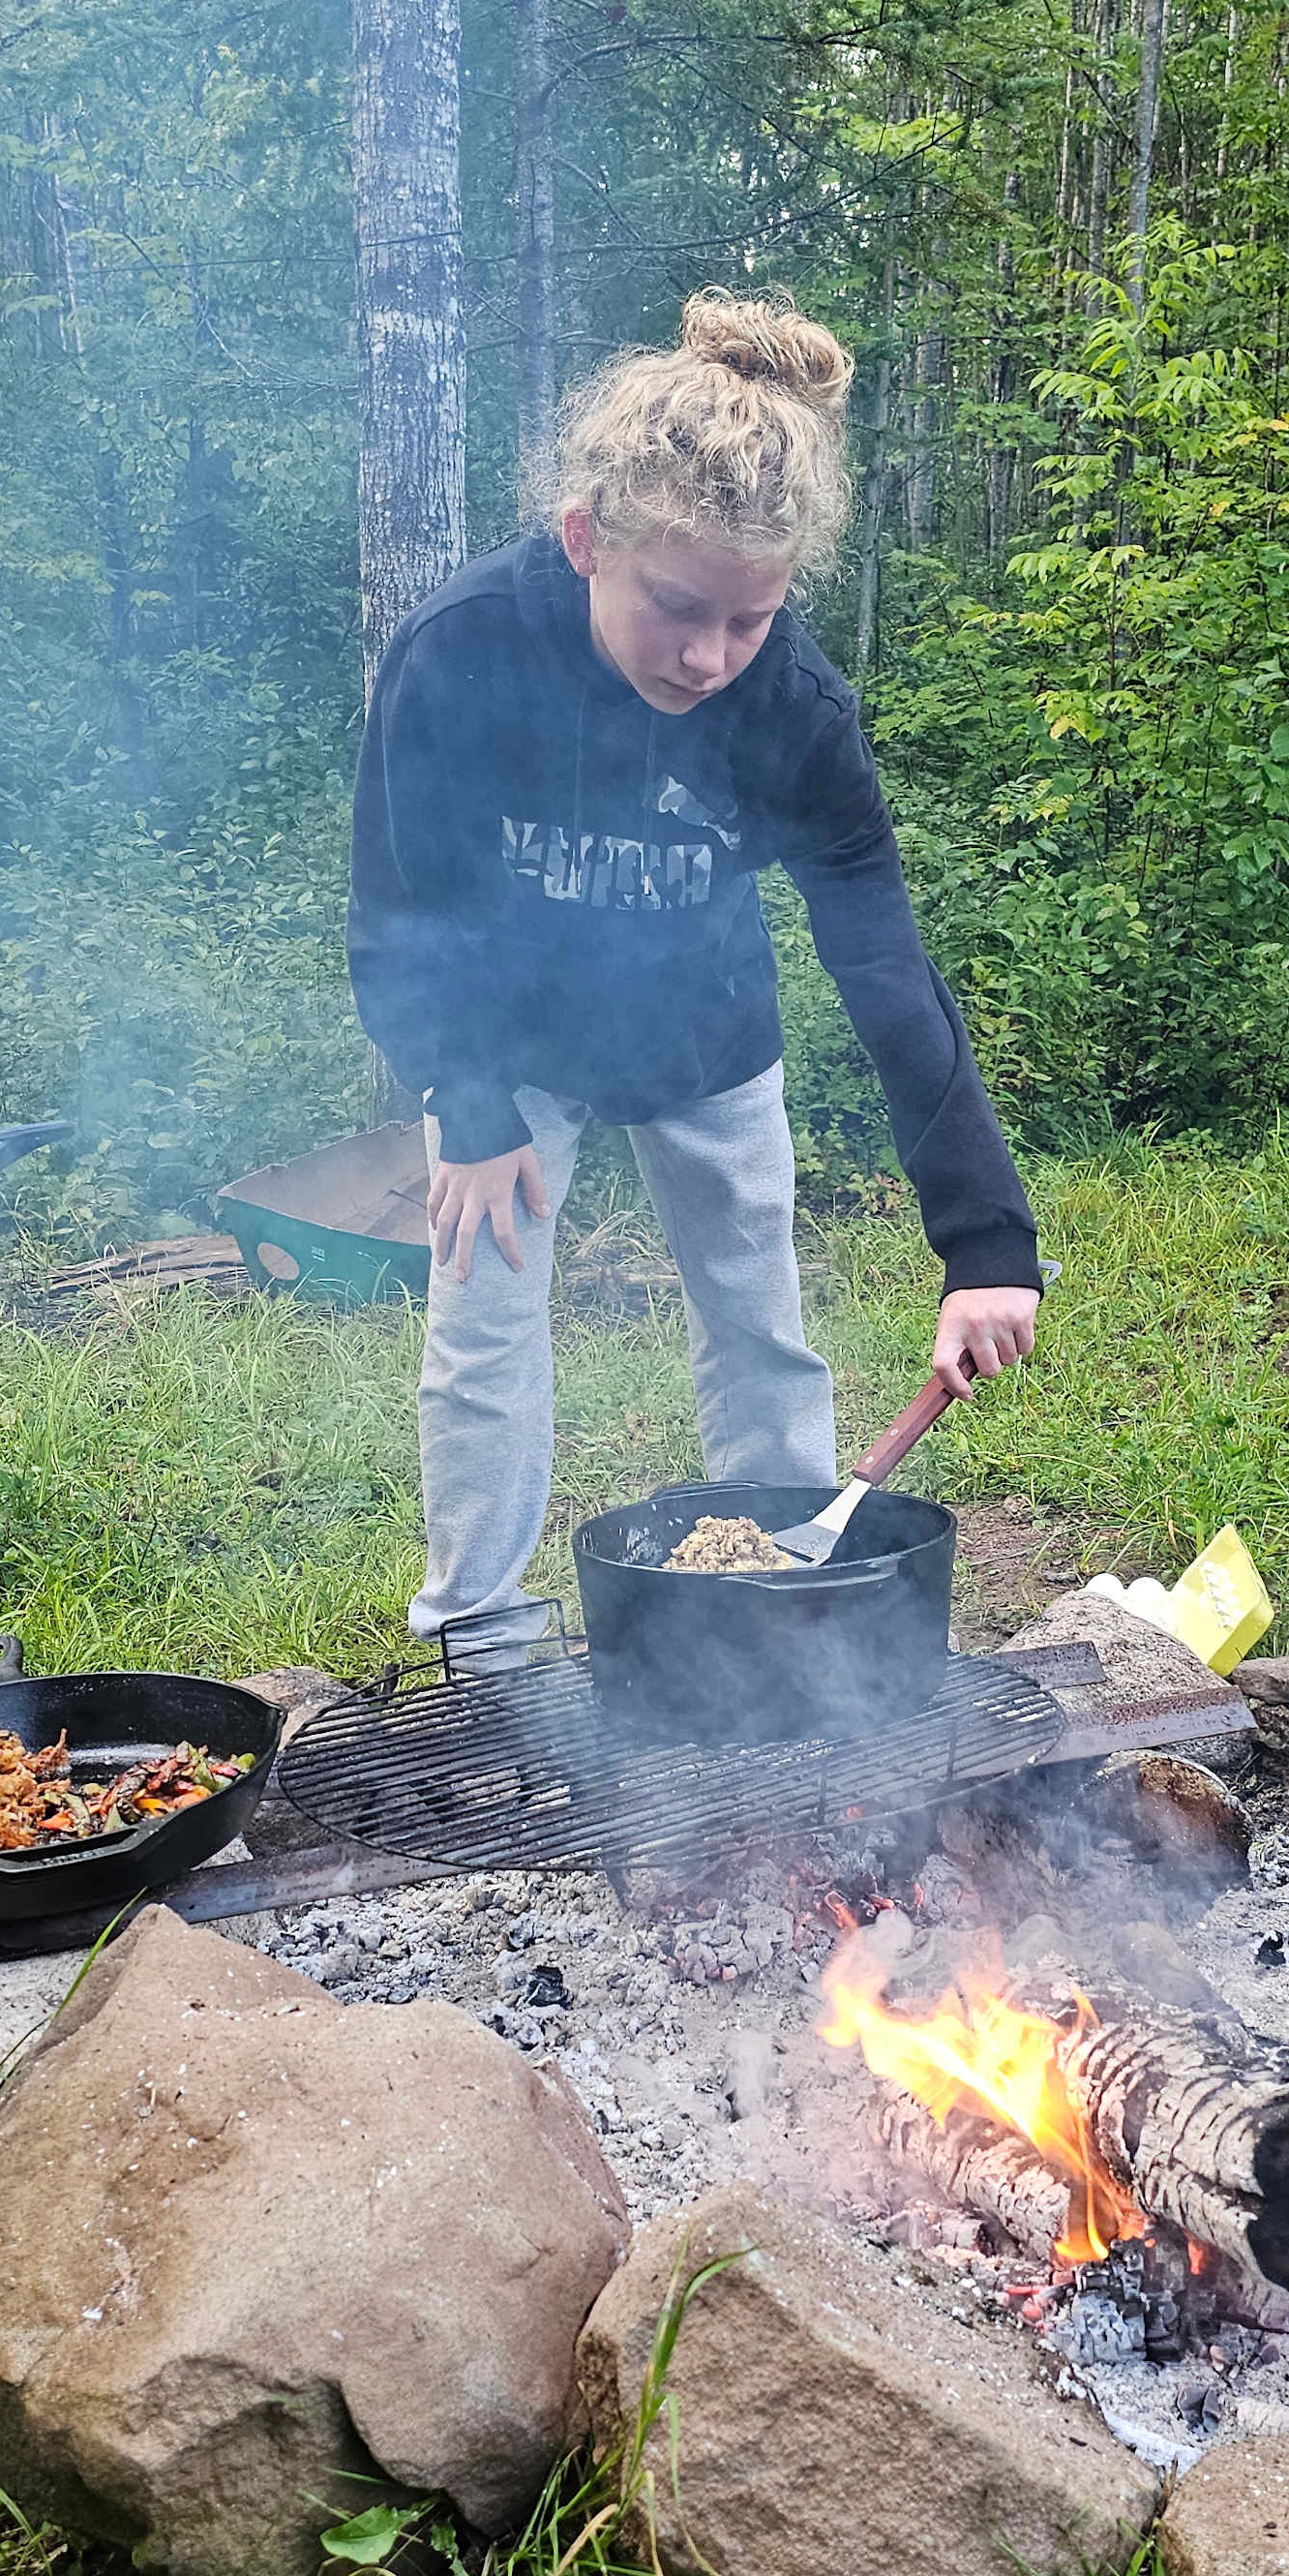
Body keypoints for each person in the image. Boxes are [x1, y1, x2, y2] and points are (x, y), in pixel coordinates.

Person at [350, 288, 1044, 1656]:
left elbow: (886, 967)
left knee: (757, 1318)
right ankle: (476, 1635)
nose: (710, 658)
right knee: (483, 1329)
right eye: (677, 609)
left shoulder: (795, 712)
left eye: (750, 620)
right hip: (501, 1040)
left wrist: (986, 1243)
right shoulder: (464, 651)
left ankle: (782, 1605)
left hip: (706, 1033)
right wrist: (470, 1108)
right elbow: (402, 906)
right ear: (585, 540)